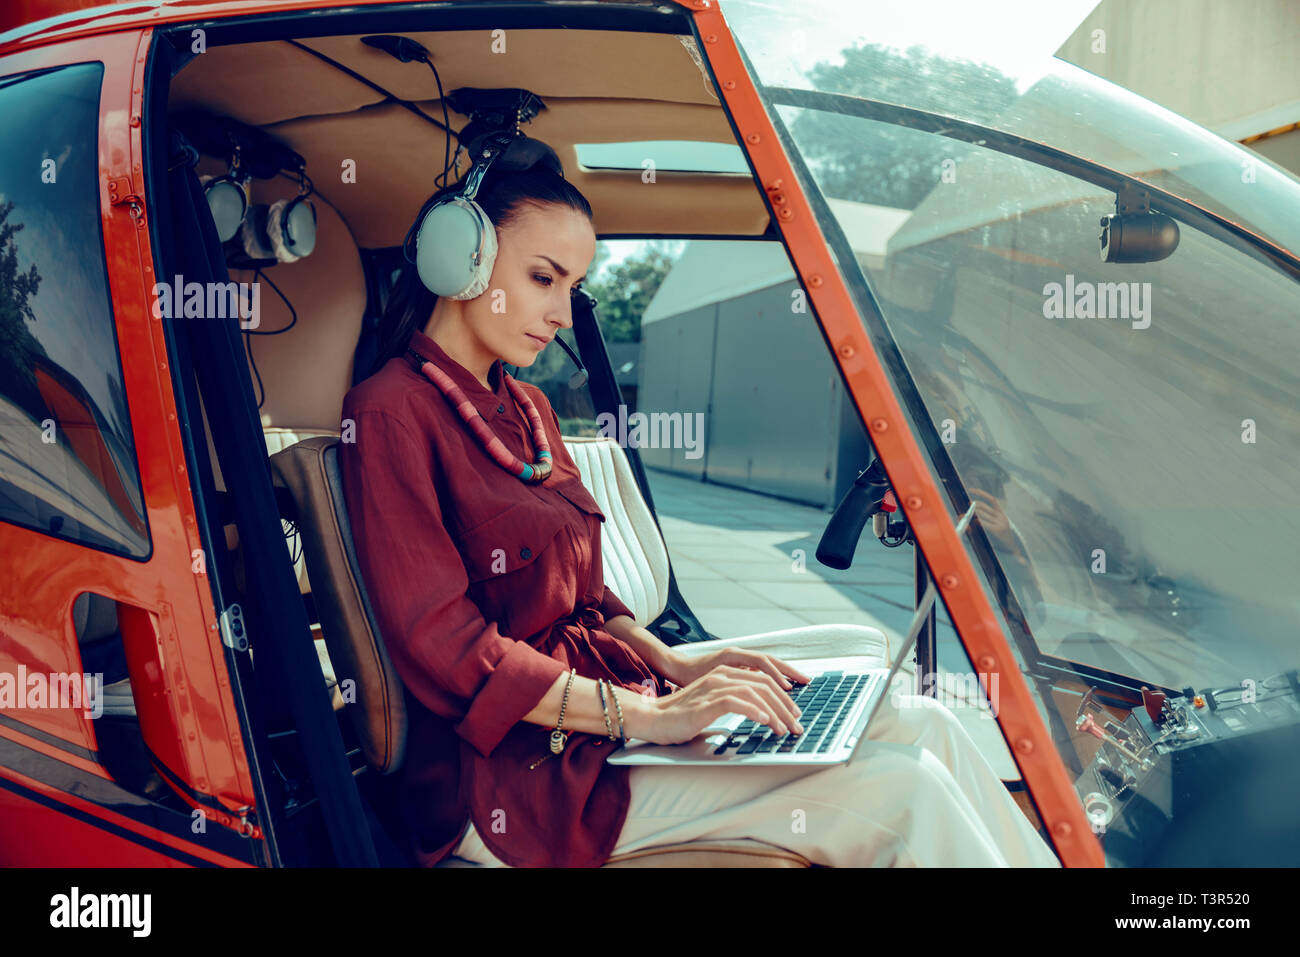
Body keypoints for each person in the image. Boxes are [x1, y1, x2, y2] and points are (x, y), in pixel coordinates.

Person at [338, 154, 1061, 868]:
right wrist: (652, 715)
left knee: (924, 720)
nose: (561, 314)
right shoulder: (390, 414)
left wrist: (683, 664)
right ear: (458, 259)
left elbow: (587, 604)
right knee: (903, 792)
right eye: (541, 278)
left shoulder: (528, 409)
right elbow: (450, 651)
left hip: (608, 715)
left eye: (574, 286)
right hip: (517, 775)